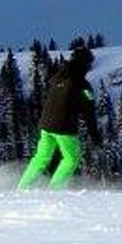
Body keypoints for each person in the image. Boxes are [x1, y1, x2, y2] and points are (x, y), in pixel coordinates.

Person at [17, 44, 101, 190]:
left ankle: (23, 188)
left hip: (45, 124)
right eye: (89, 63)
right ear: (85, 64)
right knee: (72, 159)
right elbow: (89, 112)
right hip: (63, 127)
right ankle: (55, 190)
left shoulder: (58, 76)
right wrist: (95, 136)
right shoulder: (82, 84)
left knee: (41, 158)